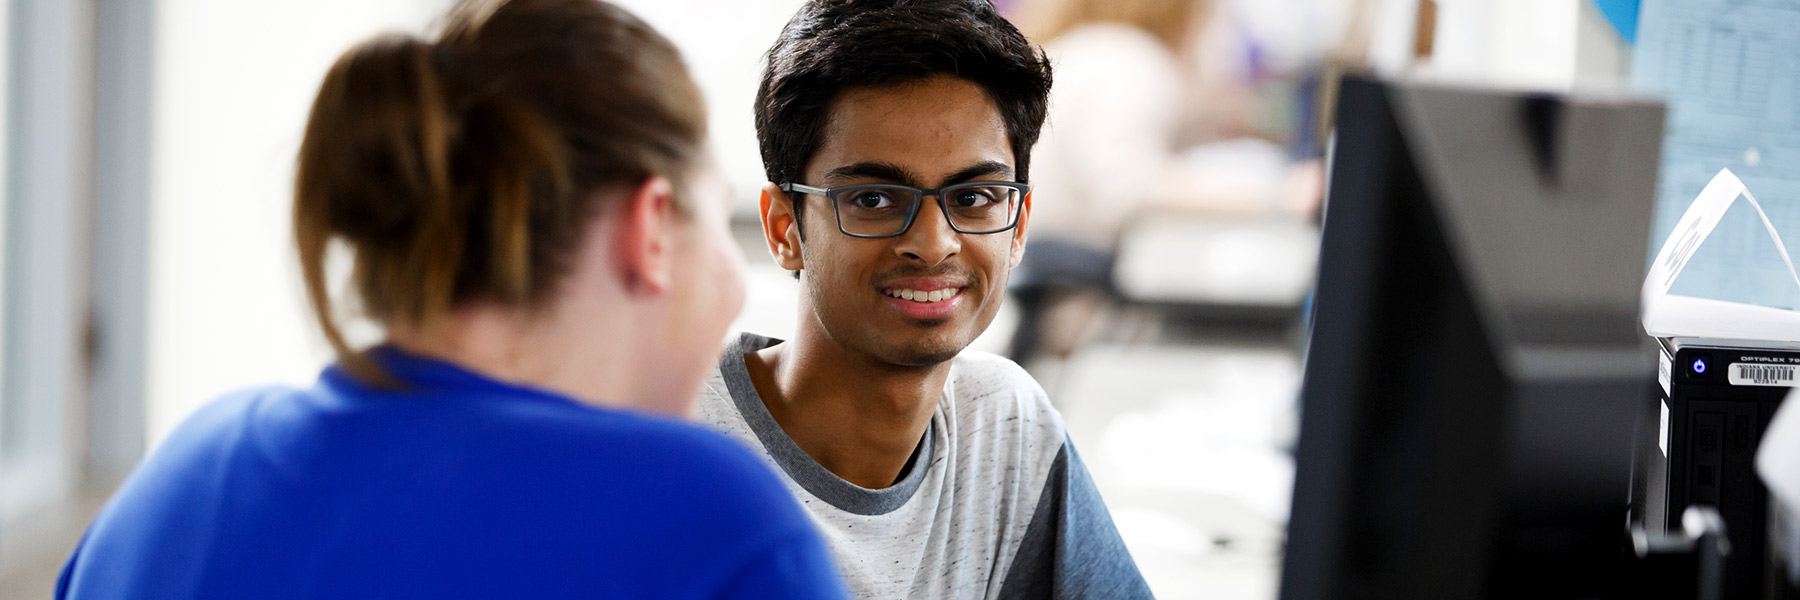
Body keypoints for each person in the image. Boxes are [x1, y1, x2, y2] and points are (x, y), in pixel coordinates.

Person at [55, 1, 846, 598]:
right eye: (715, 217)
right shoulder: (710, 522)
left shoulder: (179, 480)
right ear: (650, 229)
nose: (734, 283)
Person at [694, 0, 1152, 597]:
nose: (934, 245)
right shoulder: (673, 434)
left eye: (975, 198)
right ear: (784, 229)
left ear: (1017, 227)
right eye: (875, 200)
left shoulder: (1005, 428)